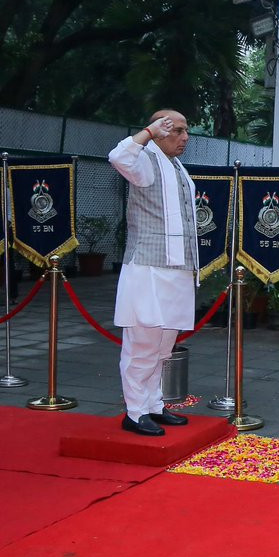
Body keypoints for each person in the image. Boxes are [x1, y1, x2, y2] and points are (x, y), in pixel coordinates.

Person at [107, 110, 197, 436]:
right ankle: (134, 412)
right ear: (160, 131)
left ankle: (153, 405)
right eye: (178, 130)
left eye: (186, 131)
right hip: (148, 269)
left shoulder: (176, 165)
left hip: (177, 271)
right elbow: (118, 157)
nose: (185, 137)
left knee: (163, 348)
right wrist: (148, 131)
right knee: (142, 346)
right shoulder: (145, 160)